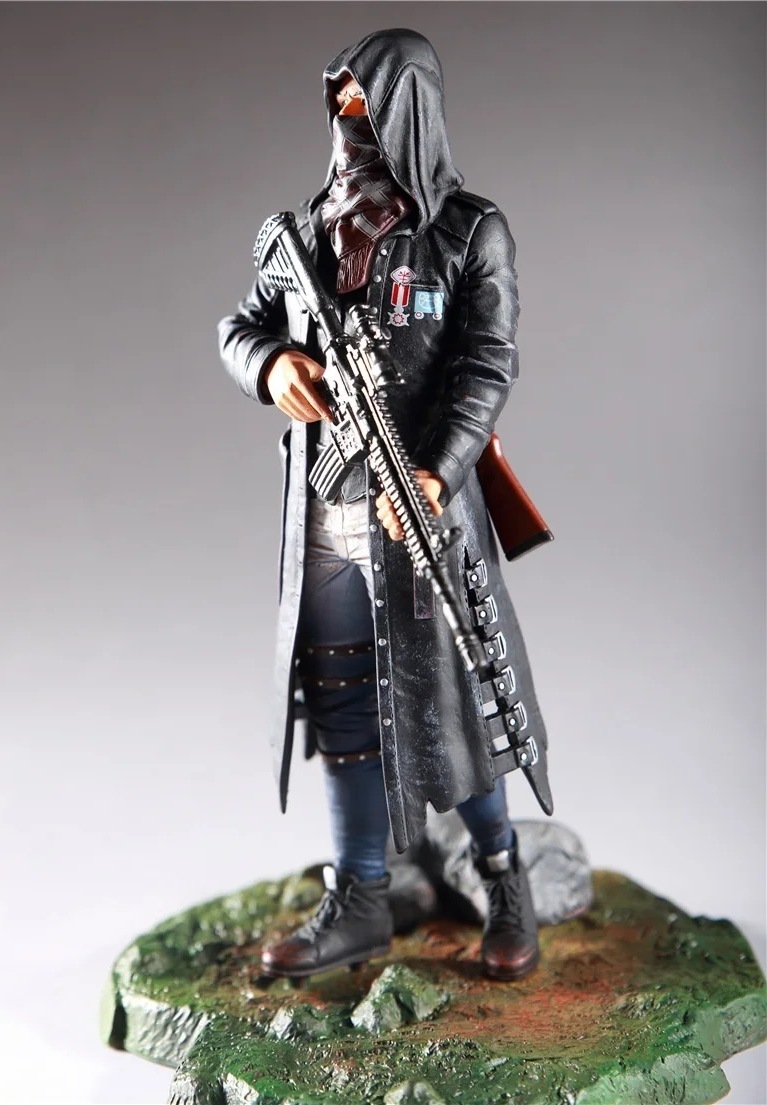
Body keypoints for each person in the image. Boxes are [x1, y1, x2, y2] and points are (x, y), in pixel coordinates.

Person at [218, 28, 552, 982]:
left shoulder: (468, 234)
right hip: (328, 512)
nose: (347, 125)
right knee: (342, 702)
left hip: (422, 511)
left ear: (407, 115)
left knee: (461, 703)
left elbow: (487, 364)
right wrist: (271, 364)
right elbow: (239, 325)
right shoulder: (305, 234)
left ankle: (504, 876)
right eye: (339, 106)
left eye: (363, 106)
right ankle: (360, 894)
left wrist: (438, 472)